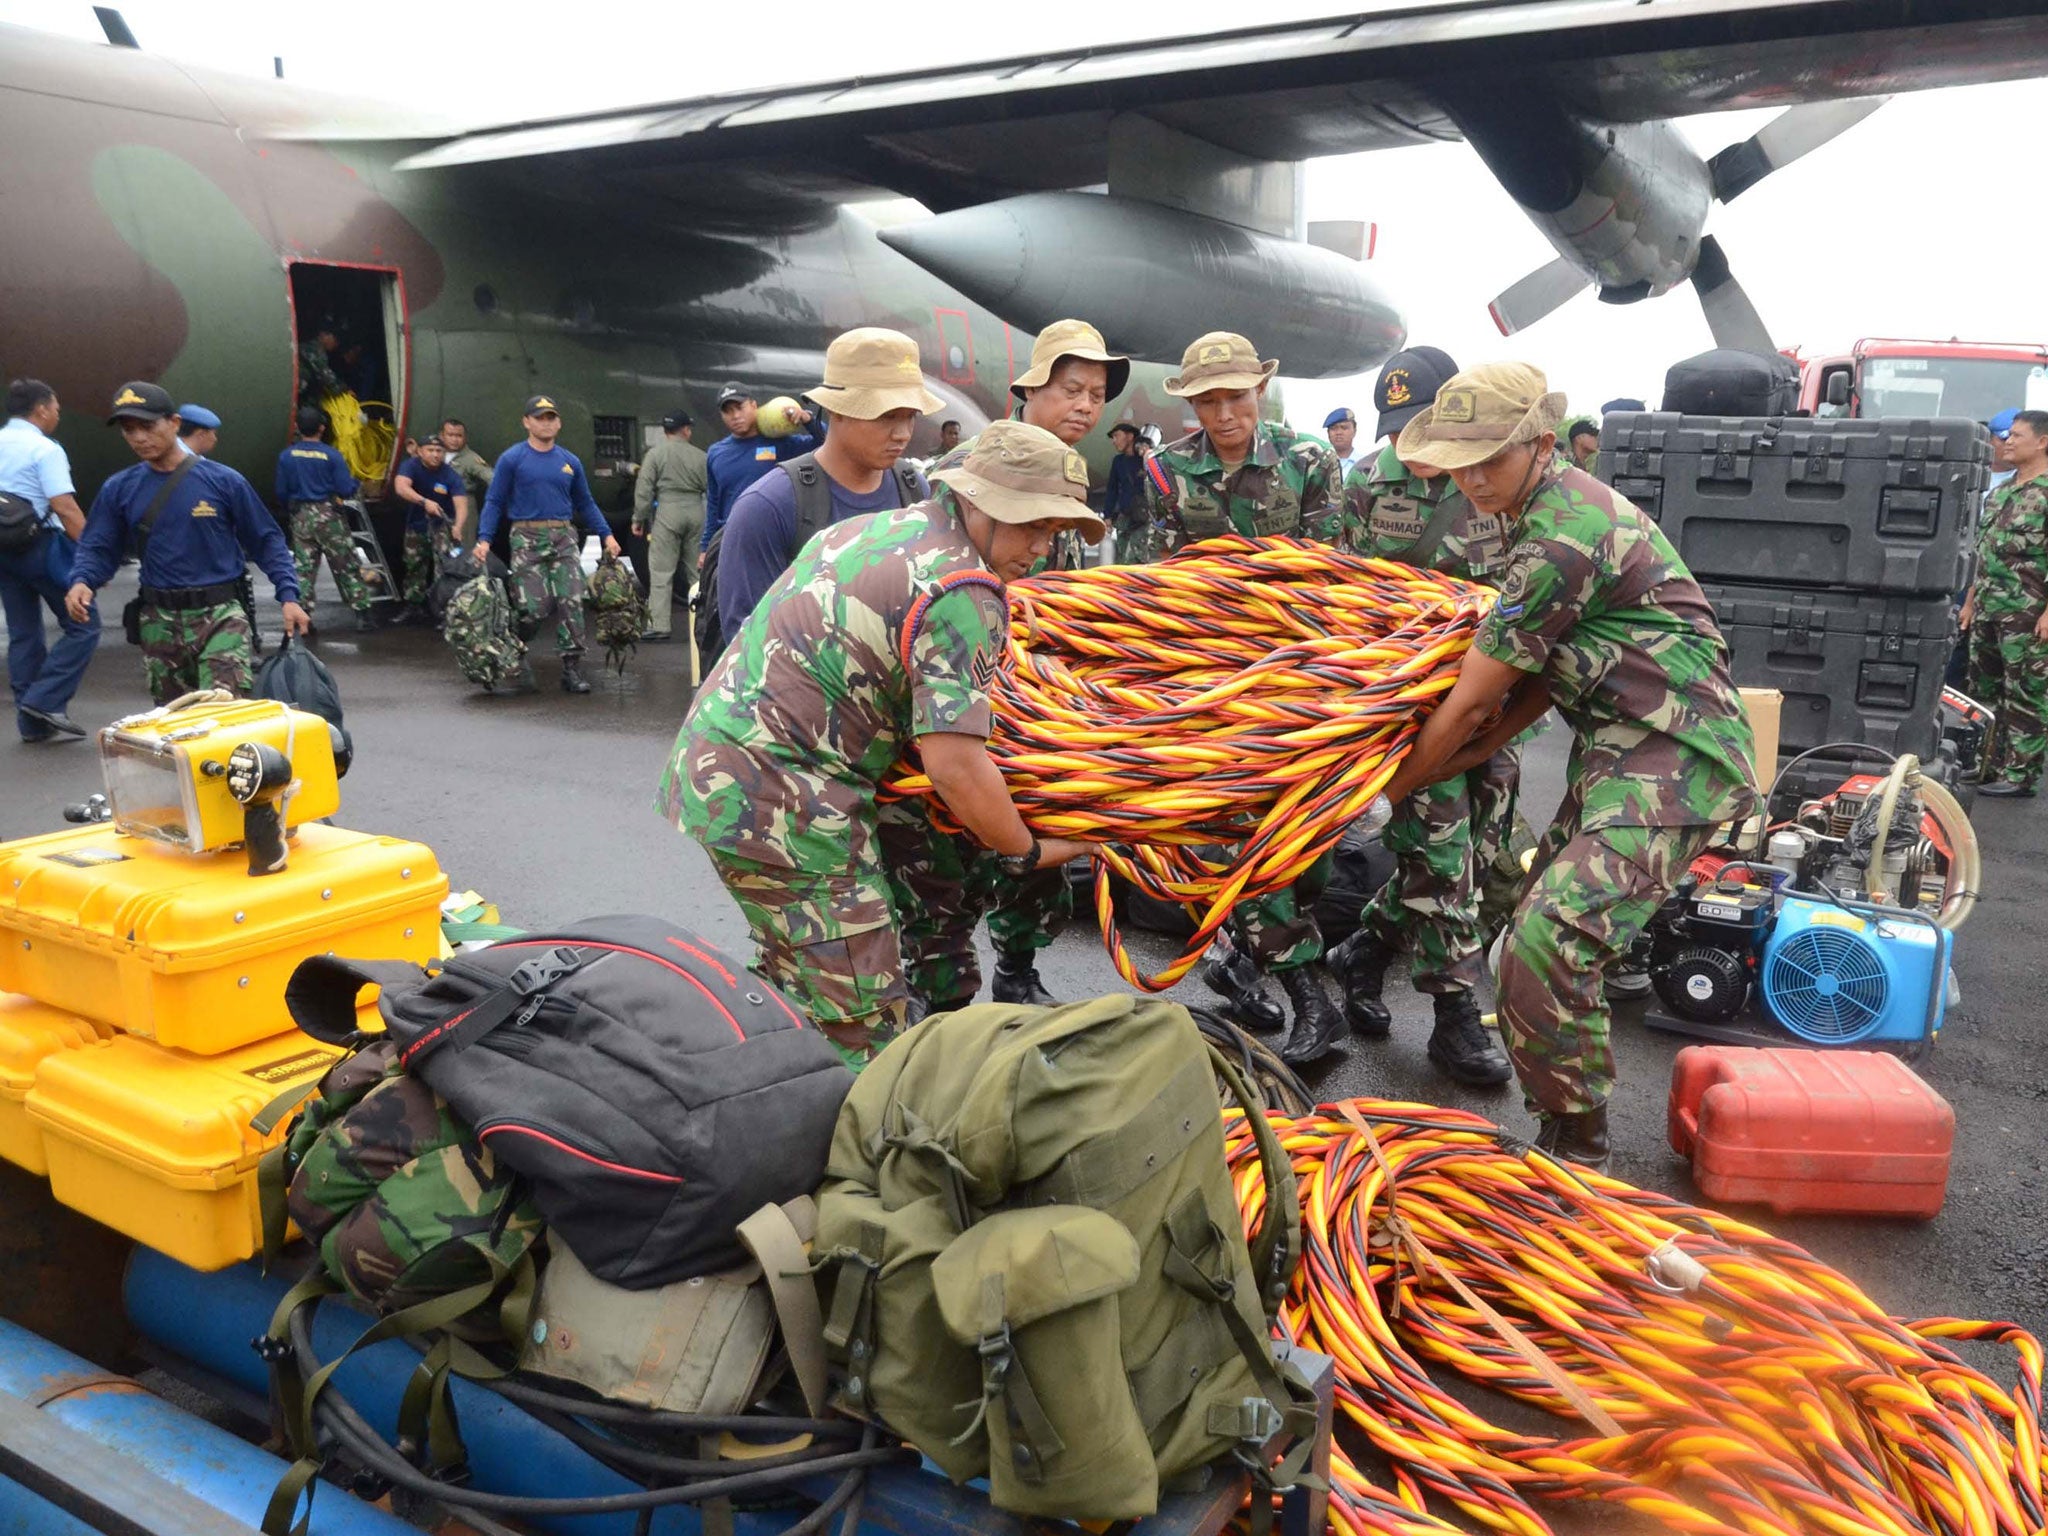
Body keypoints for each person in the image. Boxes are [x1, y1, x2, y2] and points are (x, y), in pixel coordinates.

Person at [1378, 363, 1757, 1169]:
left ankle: (1576, 1150)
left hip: (1676, 760)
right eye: (1460, 460)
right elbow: (1533, 679)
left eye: (1492, 458)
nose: (1473, 478)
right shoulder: (1537, 507)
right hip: (1619, 753)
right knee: (1525, 940)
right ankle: (1564, 1130)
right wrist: (1471, 748)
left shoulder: (1560, 535)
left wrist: (1381, 793)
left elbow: (1475, 697)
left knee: (1544, 943)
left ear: (1541, 444)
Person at [657, 421, 1100, 1066]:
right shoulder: (962, 588)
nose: (1041, 545)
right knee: (865, 1020)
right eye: (1030, 523)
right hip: (789, 805)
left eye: (1053, 530)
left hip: (716, 772)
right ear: (974, 500)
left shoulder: (877, 528)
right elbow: (956, 766)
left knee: (795, 975)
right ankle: (847, 1150)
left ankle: (752, 1089)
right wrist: (1025, 849)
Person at [1132, 331, 1350, 1061]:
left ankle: (1242, 959)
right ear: (1192, 403)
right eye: (1209, 400)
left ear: (1259, 392)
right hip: (1211, 679)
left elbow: (1334, 573)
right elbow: (1158, 577)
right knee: (1243, 836)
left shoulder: (1309, 462)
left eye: (1236, 396)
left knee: (1312, 843)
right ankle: (1310, 998)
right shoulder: (1166, 472)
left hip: (1300, 672)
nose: (1224, 413)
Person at [1322, 348, 1516, 1088]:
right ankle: (1453, 1016)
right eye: (1402, 430)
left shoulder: (1493, 481)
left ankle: (1364, 951)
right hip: (1410, 707)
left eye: (1428, 426)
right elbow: (1342, 595)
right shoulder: (1367, 484)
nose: (1417, 447)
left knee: (1481, 849)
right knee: (1441, 854)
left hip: (1495, 701)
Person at [67, 383, 308, 702]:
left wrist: (289, 595)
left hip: (220, 616)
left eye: (148, 426)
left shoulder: (224, 482)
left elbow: (267, 541)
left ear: (175, 423)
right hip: (159, 622)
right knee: (176, 725)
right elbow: (98, 546)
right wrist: (83, 580)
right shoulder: (119, 489)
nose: (139, 437)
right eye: (129, 429)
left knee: (222, 715)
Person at [717, 331, 938, 641]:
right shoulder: (768, 506)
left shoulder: (915, 490)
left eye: (910, 416)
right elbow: (748, 649)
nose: (902, 433)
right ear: (837, 409)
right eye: (886, 415)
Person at [473, 393, 621, 695]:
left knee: (572, 600)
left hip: (563, 537)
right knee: (533, 608)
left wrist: (607, 534)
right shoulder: (513, 459)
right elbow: (494, 501)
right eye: (539, 418)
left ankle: (572, 668)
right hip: (527, 538)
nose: (546, 423)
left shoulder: (569, 462)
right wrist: (484, 539)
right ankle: (513, 644)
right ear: (526, 422)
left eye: (551, 417)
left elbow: (586, 502)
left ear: (559, 423)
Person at [0, 379, 96, 742]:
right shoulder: (44, 449)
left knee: (24, 632)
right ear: (41, 409)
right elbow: (65, 507)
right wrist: (92, 554)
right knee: (84, 625)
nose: (57, 415)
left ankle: (32, 725)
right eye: (55, 408)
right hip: (41, 547)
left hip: (4, 550)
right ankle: (45, 699)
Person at [1963, 408, 2048, 798]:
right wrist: (1969, 602)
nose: (2006, 441)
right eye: (2007, 435)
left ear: (2043, 441)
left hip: (2028, 613)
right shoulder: (1999, 492)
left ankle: (2020, 776)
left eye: (2016, 436)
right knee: (1983, 691)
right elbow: (1982, 553)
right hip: (1988, 609)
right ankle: (1986, 766)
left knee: (2025, 694)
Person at [276, 406, 376, 634]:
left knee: (304, 569)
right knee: (346, 565)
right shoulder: (331, 455)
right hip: (329, 515)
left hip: (301, 517)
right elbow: (345, 487)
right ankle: (362, 615)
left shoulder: (286, 456)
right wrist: (356, 485)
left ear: (297, 427)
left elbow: (281, 491)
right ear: (322, 428)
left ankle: (304, 620)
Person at [702, 383, 822, 559]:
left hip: (776, 537)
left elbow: (826, 443)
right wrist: (705, 547)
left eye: (740, 408)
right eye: (728, 411)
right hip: (731, 539)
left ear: (753, 406)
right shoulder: (716, 453)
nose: (735, 416)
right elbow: (714, 503)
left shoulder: (782, 444)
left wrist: (807, 419)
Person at [632, 409, 708, 643]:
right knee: (697, 572)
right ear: (686, 430)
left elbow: (644, 488)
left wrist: (638, 518)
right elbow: (711, 487)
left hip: (667, 512)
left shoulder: (655, 454)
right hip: (696, 511)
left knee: (662, 571)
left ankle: (660, 626)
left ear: (665, 431)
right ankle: (704, 624)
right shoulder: (700, 455)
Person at [391, 434, 469, 622]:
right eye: (431, 450)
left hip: (441, 525)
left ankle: (443, 611)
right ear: (420, 451)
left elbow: (461, 504)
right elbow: (401, 487)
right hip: (416, 524)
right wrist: (424, 502)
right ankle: (413, 605)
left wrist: (458, 526)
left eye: (439, 451)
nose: (435, 455)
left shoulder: (449, 474)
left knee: (442, 568)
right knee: (414, 565)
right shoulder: (411, 466)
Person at [439, 418, 493, 542]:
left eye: (459, 436)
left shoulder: (471, 459)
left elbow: (490, 477)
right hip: (439, 503)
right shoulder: (436, 453)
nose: (454, 439)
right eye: (450, 435)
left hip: (463, 503)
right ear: (442, 436)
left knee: (462, 545)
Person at [1101, 421, 1146, 550]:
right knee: (1121, 552)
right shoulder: (1118, 461)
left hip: (1143, 519)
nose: (1114, 441)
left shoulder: (1146, 460)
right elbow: (1112, 489)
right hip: (1125, 517)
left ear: (1130, 436)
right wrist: (1107, 515)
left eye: (1117, 436)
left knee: (1136, 556)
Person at [297, 323, 345, 409]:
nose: (336, 344)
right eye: (335, 339)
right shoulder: (315, 352)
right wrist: (345, 389)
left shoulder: (305, 346)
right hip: (296, 397)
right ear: (323, 335)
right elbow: (331, 383)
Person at [1323, 406, 1361, 478]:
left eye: (1344, 428)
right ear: (1328, 433)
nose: (1338, 432)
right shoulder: (1320, 464)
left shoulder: (1365, 464)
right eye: (1333, 428)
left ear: (1354, 431)